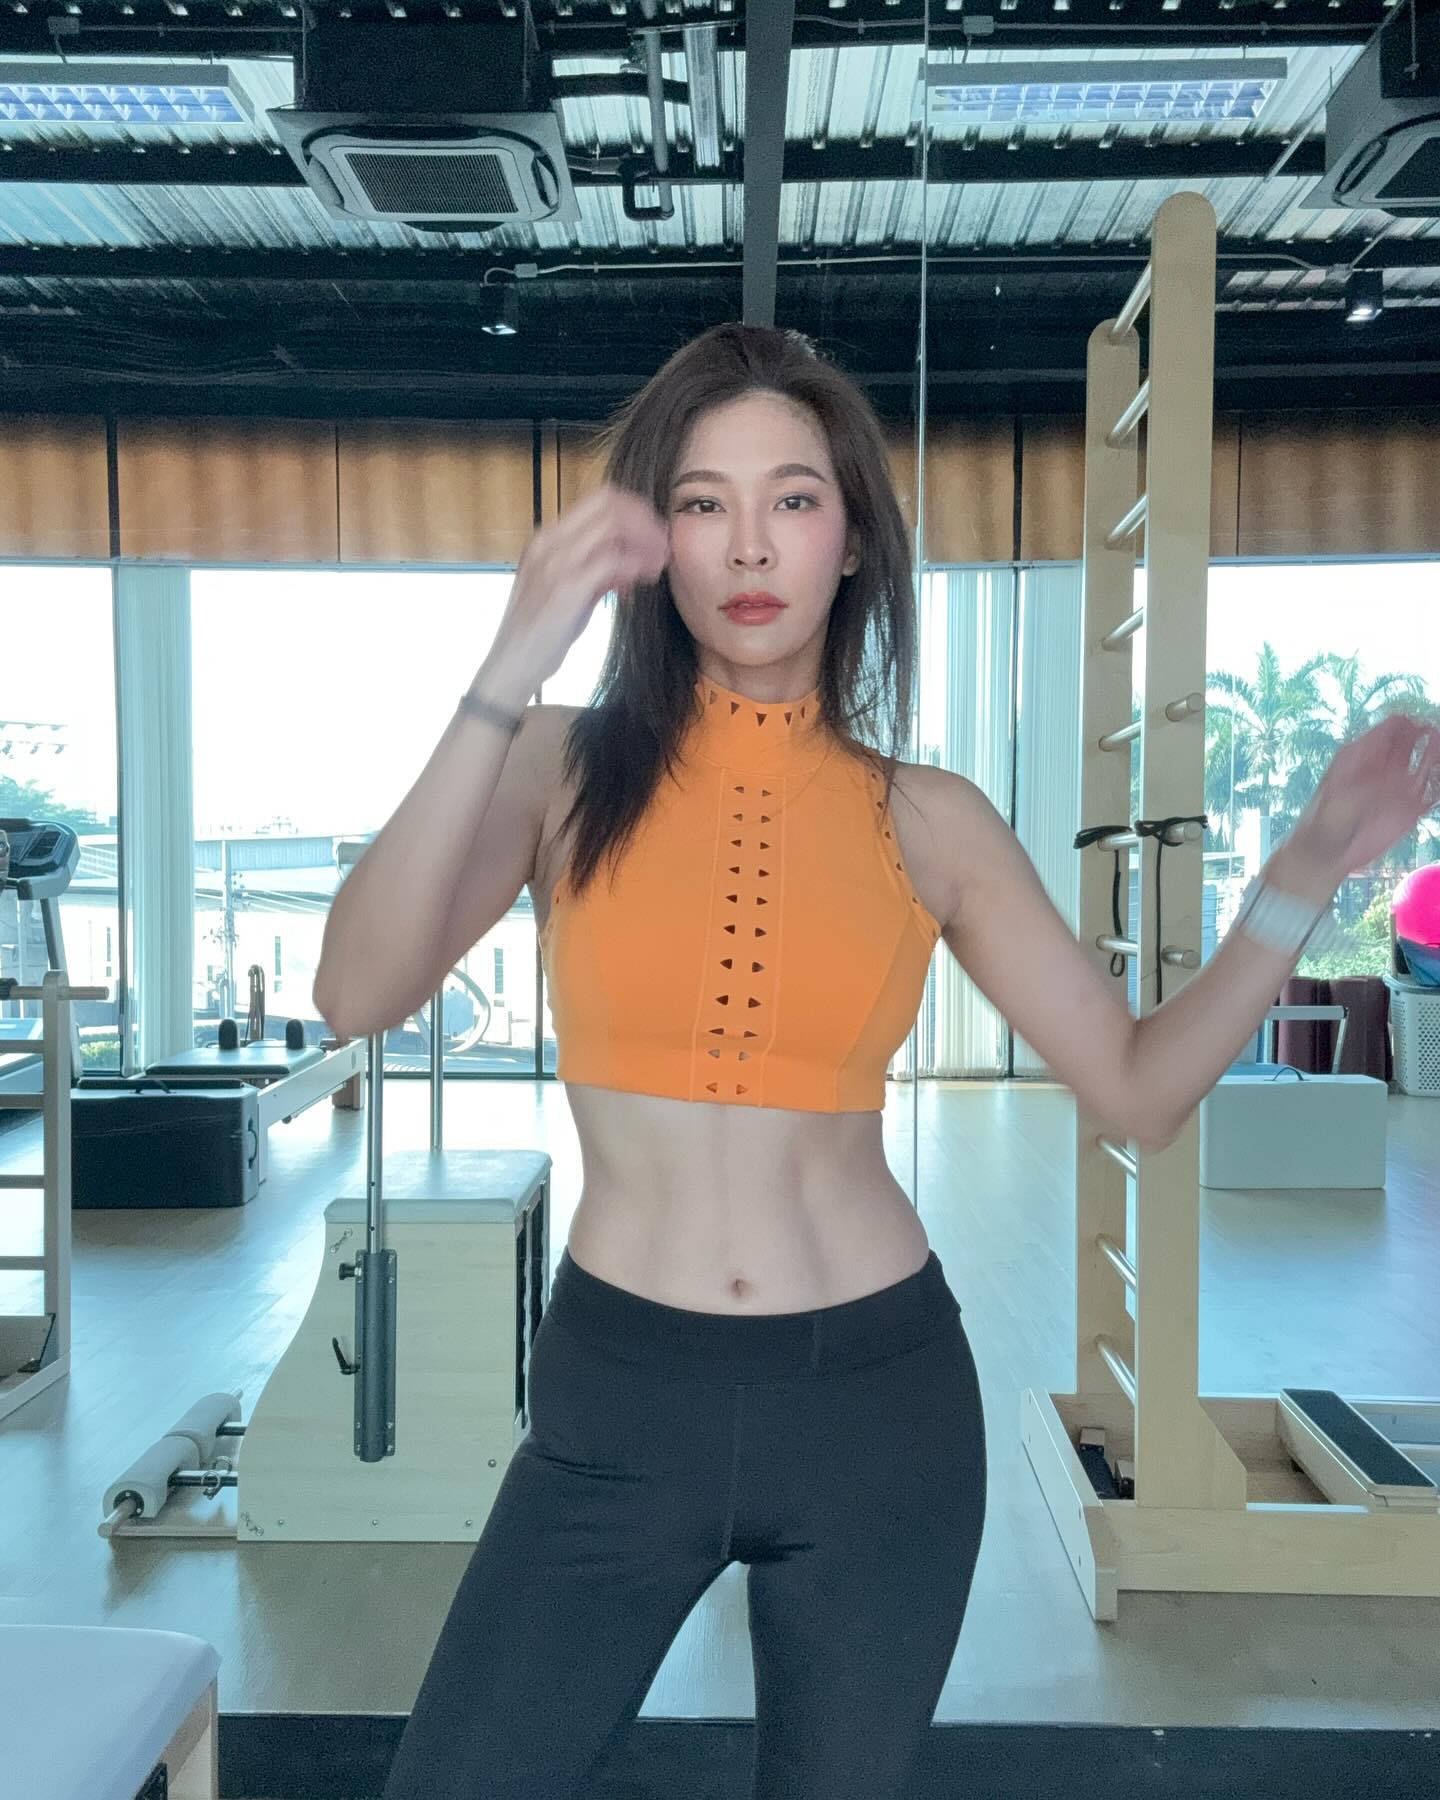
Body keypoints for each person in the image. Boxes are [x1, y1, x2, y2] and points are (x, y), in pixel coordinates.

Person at [314, 320, 983, 1799]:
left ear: (853, 540)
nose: (748, 543)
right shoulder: (564, 763)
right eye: (700, 501)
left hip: (880, 1395)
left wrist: (1295, 883)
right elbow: (354, 988)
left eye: (793, 498)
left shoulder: (919, 811)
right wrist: (512, 657)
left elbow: (1129, 1078)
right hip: (624, 1385)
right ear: (655, 543)